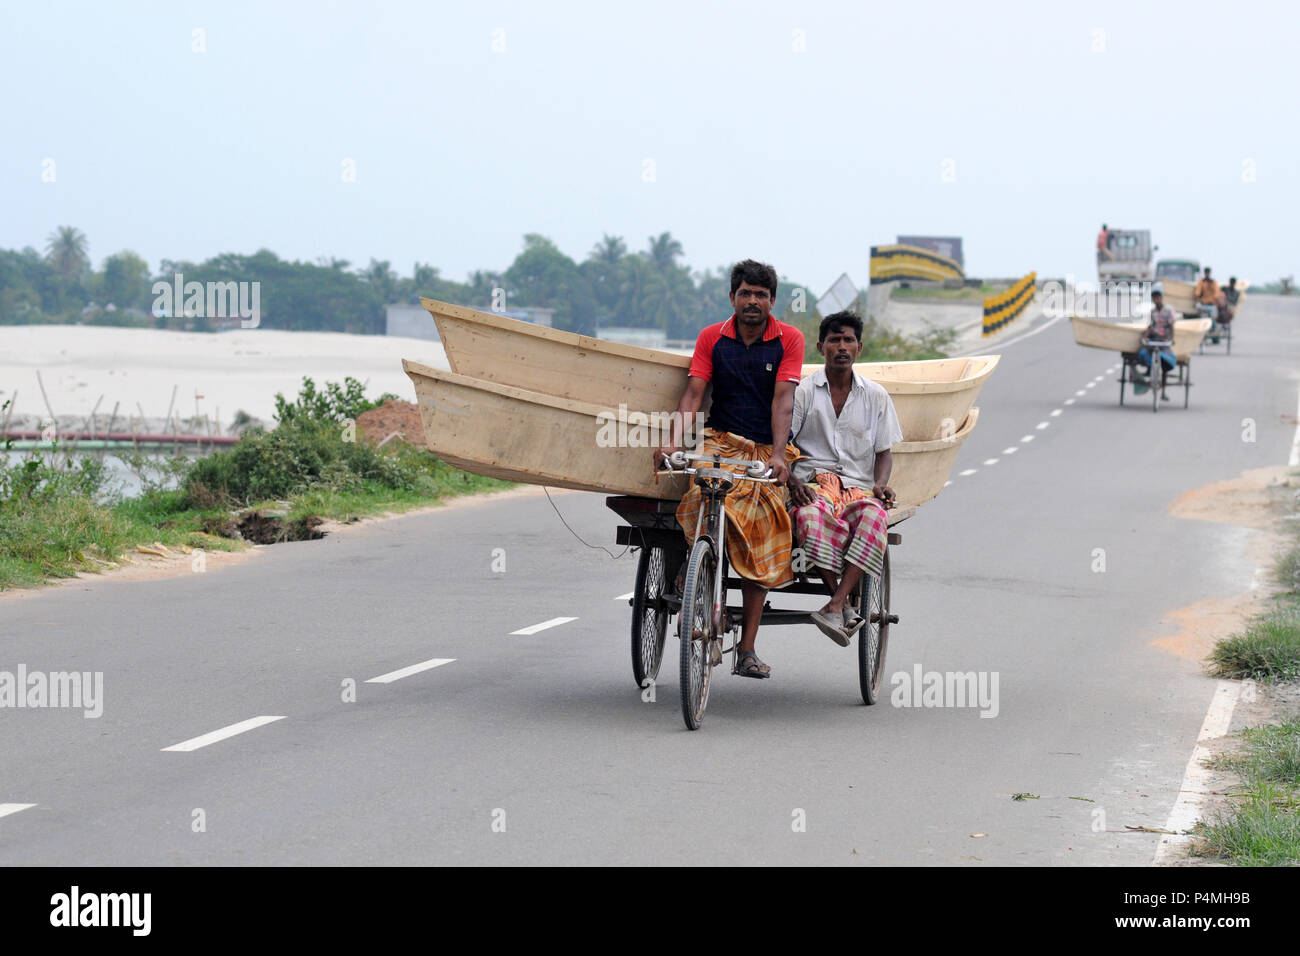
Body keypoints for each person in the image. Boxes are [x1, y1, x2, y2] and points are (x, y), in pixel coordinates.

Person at [654, 259, 806, 679]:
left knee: (763, 523)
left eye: (760, 294)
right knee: (700, 493)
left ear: (772, 301)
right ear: (732, 297)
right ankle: (697, 564)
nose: (752, 301)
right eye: (745, 293)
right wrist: (670, 444)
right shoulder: (712, 338)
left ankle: (748, 649)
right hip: (719, 441)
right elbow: (693, 395)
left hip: (764, 449)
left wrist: (778, 454)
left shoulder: (789, 340)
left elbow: (783, 401)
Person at [788, 311, 903, 645]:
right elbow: (787, 443)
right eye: (834, 340)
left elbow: (884, 452)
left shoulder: (876, 396)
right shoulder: (803, 392)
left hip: (858, 486)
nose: (841, 347)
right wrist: (793, 482)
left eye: (848, 340)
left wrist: (879, 485)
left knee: (875, 516)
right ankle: (843, 600)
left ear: (859, 347)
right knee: (808, 515)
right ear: (821, 346)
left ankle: (836, 603)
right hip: (814, 482)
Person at [1135, 288, 1177, 400]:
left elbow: (1172, 326)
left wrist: (1171, 339)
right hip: (1154, 337)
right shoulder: (1153, 312)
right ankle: (1149, 369)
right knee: (1144, 352)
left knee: (1165, 363)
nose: (1156, 300)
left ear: (1161, 298)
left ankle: (1163, 391)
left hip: (1164, 338)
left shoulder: (1168, 310)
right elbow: (1150, 326)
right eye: (1154, 298)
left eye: (1158, 298)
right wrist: (1144, 337)